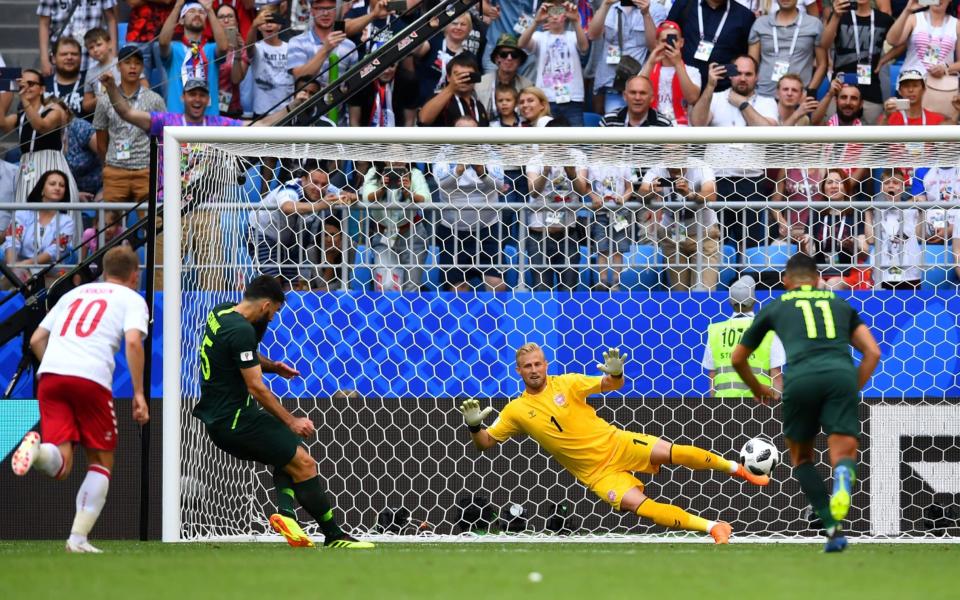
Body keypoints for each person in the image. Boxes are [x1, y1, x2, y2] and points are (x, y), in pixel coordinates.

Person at [459, 344, 771, 544]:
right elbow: (485, 443)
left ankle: (738, 469)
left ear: (545, 364)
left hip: (616, 442)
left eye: (538, 364)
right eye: (528, 366)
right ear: (519, 371)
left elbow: (611, 384)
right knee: (642, 507)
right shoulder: (515, 410)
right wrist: (475, 425)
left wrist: (616, 373)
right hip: (596, 474)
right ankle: (714, 527)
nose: (534, 370)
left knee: (671, 451)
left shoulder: (567, 383)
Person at [192, 274, 373, 548]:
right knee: (305, 463)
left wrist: (273, 366)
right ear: (266, 306)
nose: (274, 318)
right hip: (237, 421)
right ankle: (334, 536)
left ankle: (286, 514)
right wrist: (291, 420)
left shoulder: (220, 313)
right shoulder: (242, 330)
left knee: (289, 452)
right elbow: (256, 387)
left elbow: (242, 356)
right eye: (275, 311)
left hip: (221, 418)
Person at [731, 252, 881, 552]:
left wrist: (758, 387)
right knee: (842, 453)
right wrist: (852, 387)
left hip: (800, 381)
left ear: (786, 281)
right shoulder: (839, 304)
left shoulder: (776, 306)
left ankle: (832, 529)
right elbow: (873, 352)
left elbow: (739, 358)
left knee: (802, 458)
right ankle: (841, 479)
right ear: (818, 280)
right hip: (839, 376)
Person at [10, 246, 148, 553]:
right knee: (100, 462)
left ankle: (36, 452)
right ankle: (77, 539)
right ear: (135, 275)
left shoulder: (74, 295)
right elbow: (134, 343)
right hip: (90, 378)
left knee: (61, 466)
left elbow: (35, 340)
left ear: (103, 271)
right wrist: (138, 393)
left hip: (50, 375)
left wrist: (57, 369)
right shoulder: (132, 299)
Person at [691, 56, 777, 251]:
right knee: (712, 244)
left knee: (752, 247)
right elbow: (697, 122)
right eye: (738, 73)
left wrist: (743, 104)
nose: (742, 78)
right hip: (716, 182)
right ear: (730, 74)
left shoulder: (766, 102)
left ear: (757, 77)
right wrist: (710, 86)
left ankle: (749, 281)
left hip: (751, 183)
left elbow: (769, 133)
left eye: (748, 74)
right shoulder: (716, 97)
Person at [93, 46, 166, 204]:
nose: (133, 67)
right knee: (110, 224)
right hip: (115, 171)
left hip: (147, 170)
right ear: (119, 66)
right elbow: (100, 142)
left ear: (142, 68)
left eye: (137, 63)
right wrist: (108, 166)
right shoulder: (105, 100)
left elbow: (162, 138)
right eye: (127, 62)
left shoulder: (155, 99)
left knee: (154, 224)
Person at [0, 69, 78, 208]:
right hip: (27, 169)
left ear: (42, 89)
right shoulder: (21, 116)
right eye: (22, 84)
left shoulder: (54, 110)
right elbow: (3, 124)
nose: (25, 87)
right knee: (25, 215)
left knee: (55, 215)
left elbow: (41, 126)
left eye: (30, 83)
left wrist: (23, 99)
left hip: (51, 167)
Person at [819, 0, 899, 126]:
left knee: (869, 141)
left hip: (871, 92)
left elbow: (903, 42)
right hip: (841, 91)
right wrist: (835, 16)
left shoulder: (883, 19)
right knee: (835, 138)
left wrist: (885, 59)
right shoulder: (840, 15)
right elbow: (824, 44)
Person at [703, 275, 784, 397]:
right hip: (759, 403)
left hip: (723, 405)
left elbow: (712, 375)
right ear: (754, 300)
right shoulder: (768, 329)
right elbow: (776, 375)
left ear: (730, 302)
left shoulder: (715, 330)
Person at [587, 0, 666, 114]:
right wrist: (605, 5)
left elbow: (654, 47)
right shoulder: (610, 5)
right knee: (614, 124)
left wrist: (646, 14)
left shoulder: (655, 9)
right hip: (610, 83)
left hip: (638, 83)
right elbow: (592, 35)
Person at [518, 0, 590, 126]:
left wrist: (576, 21)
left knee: (576, 140)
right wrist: (536, 21)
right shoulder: (539, 36)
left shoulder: (573, 35)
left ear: (565, 16)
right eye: (551, 12)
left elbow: (584, 47)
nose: (555, 16)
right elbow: (521, 44)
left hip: (573, 98)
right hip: (546, 98)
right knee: (547, 141)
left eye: (559, 12)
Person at [2, 171, 75, 286]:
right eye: (52, 184)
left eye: (62, 185)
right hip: (19, 266)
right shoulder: (22, 214)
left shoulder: (67, 221)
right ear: (42, 189)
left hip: (48, 270)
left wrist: (27, 264)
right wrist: (13, 266)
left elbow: (54, 250)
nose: (57, 188)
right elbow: (12, 241)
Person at [158, 0, 229, 116]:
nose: (197, 14)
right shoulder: (174, 49)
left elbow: (224, 47)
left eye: (201, 12)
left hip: (209, 118)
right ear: (181, 20)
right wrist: (178, 6)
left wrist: (210, 11)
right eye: (191, 11)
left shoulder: (211, 49)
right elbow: (163, 42)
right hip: (178, 119)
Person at [747, 0, 825, 99]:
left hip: (798, 98)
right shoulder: (760, 23)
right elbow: (751, 65)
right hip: (763, 95)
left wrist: (809, 92)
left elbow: (822, 64)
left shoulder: (814, 24)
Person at [864, 169, 922, 290]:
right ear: (881, 188)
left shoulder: (912, 210)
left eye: (895, 182)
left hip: (909, 273)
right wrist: (868, 212)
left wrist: (922, 212)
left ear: (902, 187)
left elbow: (920, 236)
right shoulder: (877, 211)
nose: (891, 185)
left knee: (912, 306)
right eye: (886, 183)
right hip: (884, 272)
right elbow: (870, 240)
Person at [640, 20, 702, 126]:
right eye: (664, 40)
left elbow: (692, 98)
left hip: (681, 127)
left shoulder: (692, 71)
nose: (669, 44)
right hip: (652, 125)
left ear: (681, 43)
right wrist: (650, 62)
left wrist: (678, 64)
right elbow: (637, 91)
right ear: (657, 43)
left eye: (674, 40)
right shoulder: (648, 68)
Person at [418, 53, 490, 127]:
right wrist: (451, 88)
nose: (463, 80)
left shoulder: (478, 105)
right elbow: (423, 120)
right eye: (458, 75)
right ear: (448, 77)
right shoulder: (441, 99)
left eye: (468, 76)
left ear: (476, 78)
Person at [475, 34, 533, 117]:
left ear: (520, 61)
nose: (509, 58)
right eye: (503, 54)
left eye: (514, 55)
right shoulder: (479, 84)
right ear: (496, 59)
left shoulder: (528, 86)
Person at [600, 74, 673, 127]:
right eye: (633, 92)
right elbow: (598, 148)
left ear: (651, 98)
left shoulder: (664, 124)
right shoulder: (608, 121)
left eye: (643, 93)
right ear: (625, 96)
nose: (637, 98)